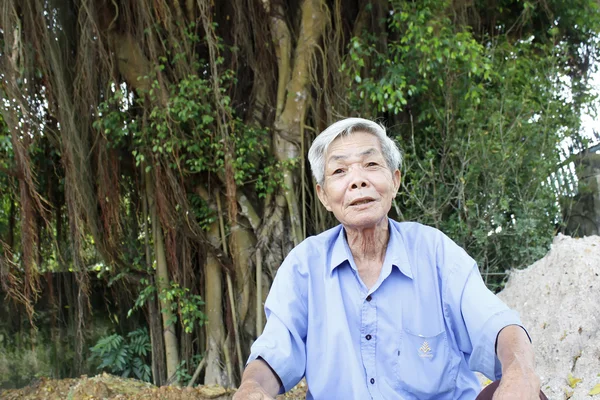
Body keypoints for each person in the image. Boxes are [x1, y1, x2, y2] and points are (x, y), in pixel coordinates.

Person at [233, 118, 542, 399]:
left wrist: (519, 371)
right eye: (340, 171)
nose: (357, 180)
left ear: (394, 181)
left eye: (370, 164)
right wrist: (251, 387)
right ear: (324, 195)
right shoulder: (305, 266)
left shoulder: (434, 252)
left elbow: (497, 324)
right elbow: (274, 352)